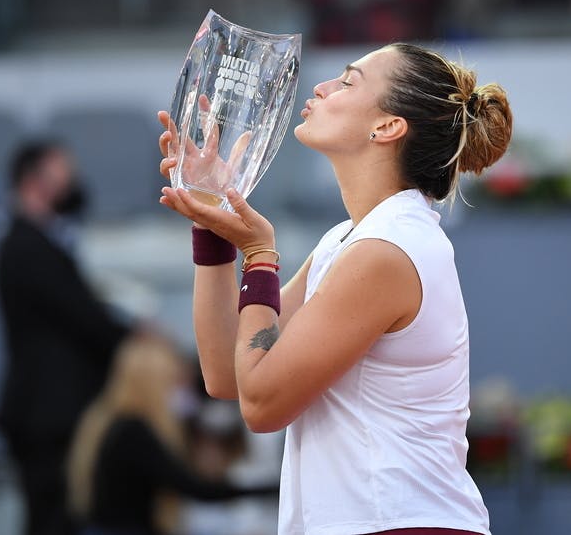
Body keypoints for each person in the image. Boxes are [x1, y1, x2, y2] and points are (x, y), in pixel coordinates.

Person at [156, 42, 513, 534]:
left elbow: (261, 404)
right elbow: (227, 375)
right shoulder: (350, 240)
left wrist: (260, 256)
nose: (320, 87)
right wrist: (214, 223)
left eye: (347, 82)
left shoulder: (387, 250)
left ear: (387, 127)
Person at [0, 140, 132, 535]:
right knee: (51, 519)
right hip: (46, 416)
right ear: (35, 180)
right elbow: (84, 317)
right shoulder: (26, 246)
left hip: (50, 413)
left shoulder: (38, 243)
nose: (73, 184)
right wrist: (135, 336)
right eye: (63, 174)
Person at [67, 334, 275, 535]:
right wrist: (273, 488)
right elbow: (195, 488)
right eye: (173, 381)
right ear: (153, 384)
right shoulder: (134, 432)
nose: (178, 390)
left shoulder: (109, 422)